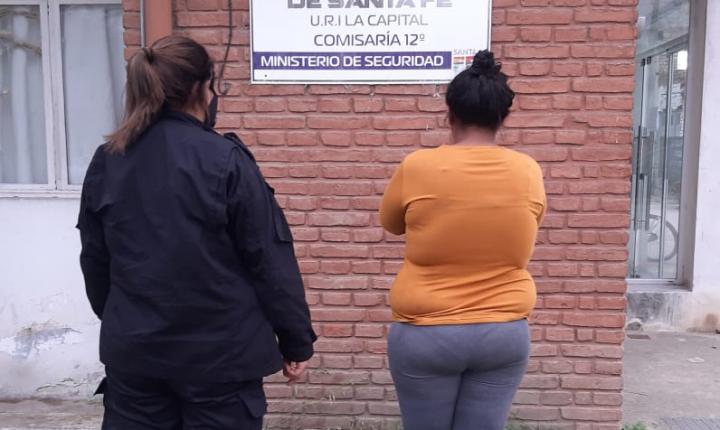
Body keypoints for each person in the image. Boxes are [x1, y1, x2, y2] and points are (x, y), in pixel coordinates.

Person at [77, 35, 316, 430]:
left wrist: (126, 320)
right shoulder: (226, 160)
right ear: (201, 89)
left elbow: (94, 257)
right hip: (220, 361)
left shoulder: (109, 160)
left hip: (137, 356)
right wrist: (296, 341)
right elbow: (269, 259)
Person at [380, 50, 546, 430]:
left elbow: (391, 224)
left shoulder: (417, 166)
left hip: (426, 329)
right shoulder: (527, 171)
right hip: (503, 330)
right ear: (503, 118)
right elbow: (531, 222)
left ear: (449, 114)